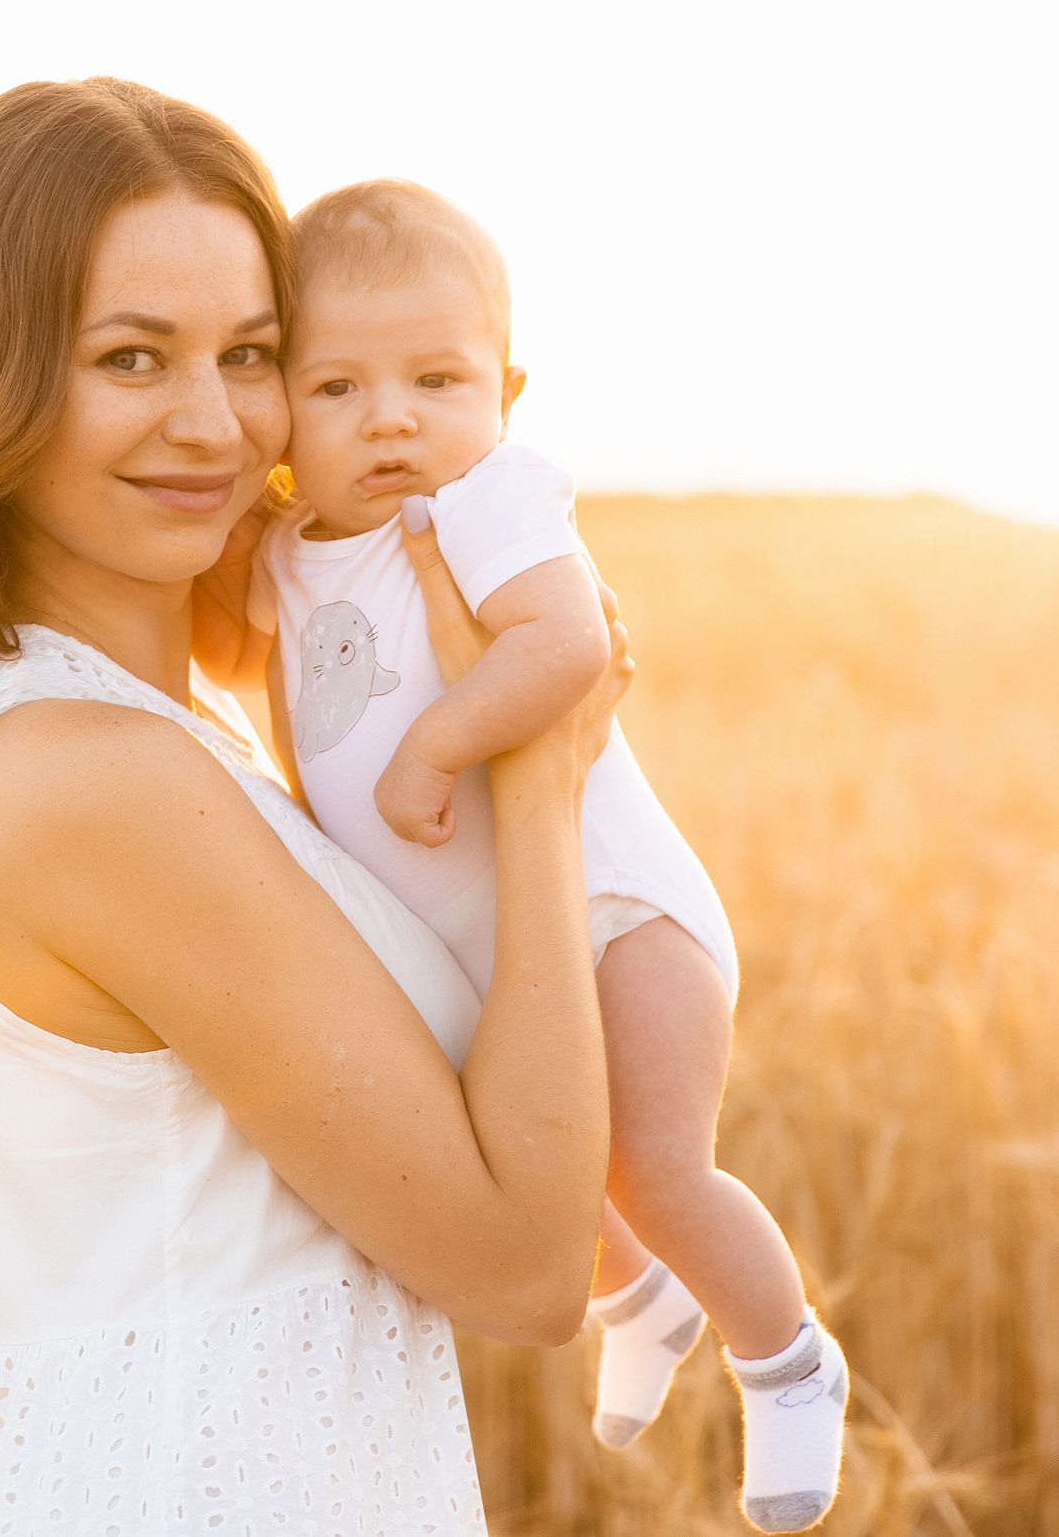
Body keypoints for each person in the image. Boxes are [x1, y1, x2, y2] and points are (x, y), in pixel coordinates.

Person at [0, 78, 632, 1536]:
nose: (214, 422)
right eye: (131, 358)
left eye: (251, 354)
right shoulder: (91, 775)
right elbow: (529, 1265)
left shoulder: (165, 735)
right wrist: (538, 786)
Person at [203, 179, 847, 1534]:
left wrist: (435, 746)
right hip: (492, 949)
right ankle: (640, 1300)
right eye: (337, 389)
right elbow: (224, 645)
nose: (391, 419)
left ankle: (788, 1364)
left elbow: (569, 645)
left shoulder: (484, 505)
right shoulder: (294, 551)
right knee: (532, 1162)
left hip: (613, 913)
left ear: (504, 392)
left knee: (655, 1163)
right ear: (283, 418)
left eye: (436, 381)